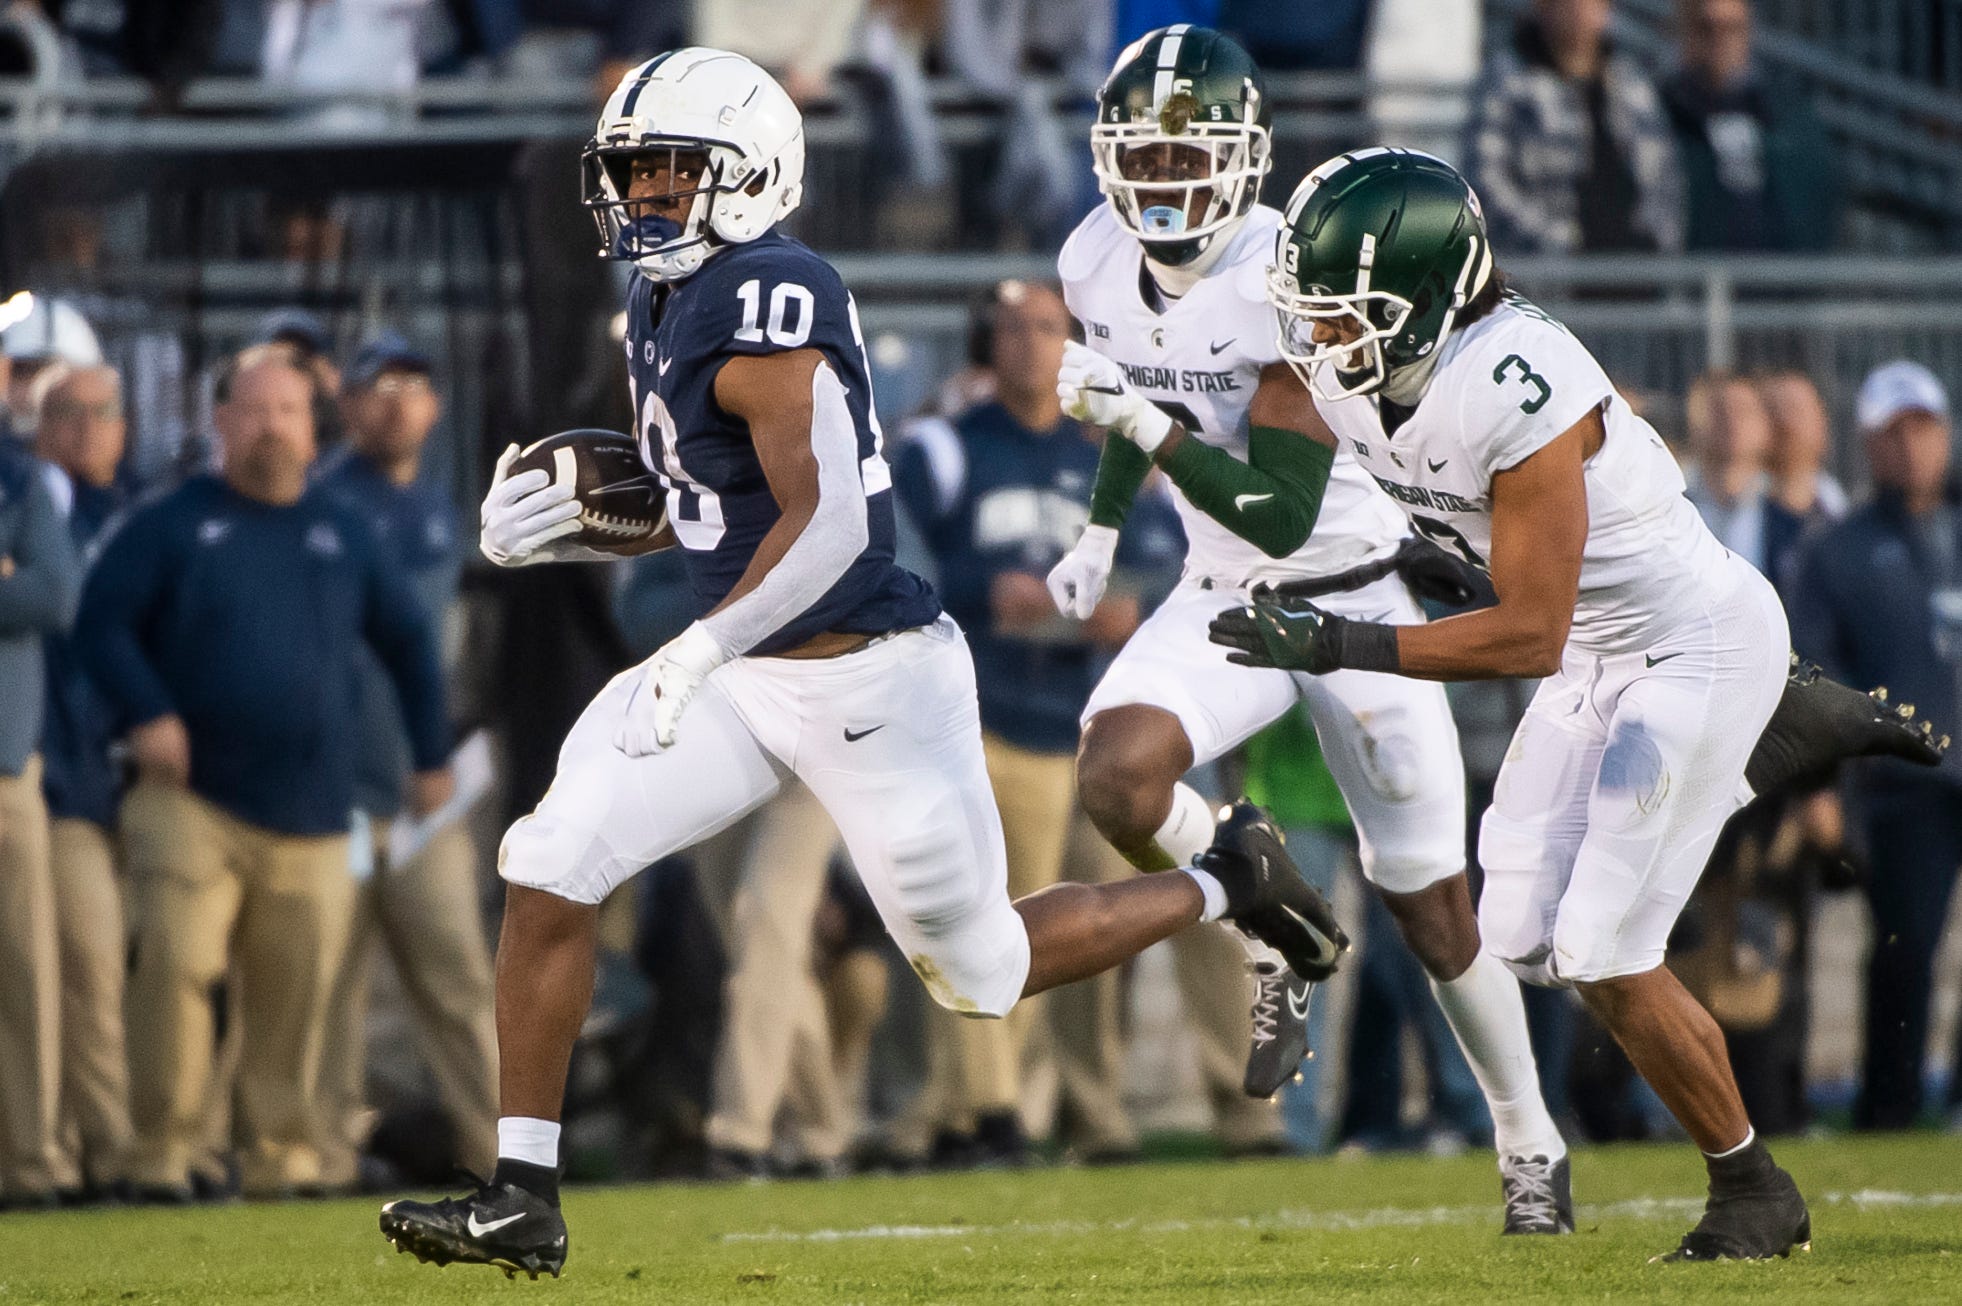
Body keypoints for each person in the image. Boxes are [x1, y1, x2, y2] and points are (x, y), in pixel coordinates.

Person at [378, 47, 1343, 1280]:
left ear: (752, 174)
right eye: (635, 171)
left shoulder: (774, 290)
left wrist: (703, 637)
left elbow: (835, 528)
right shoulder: (665, 298)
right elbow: (713, 496)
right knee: (552, 859)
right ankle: (525, 1191)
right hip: (740, 676)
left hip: (871, 675)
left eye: (674, 171)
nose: (648, 196)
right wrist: (572, 518)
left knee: (980, 972)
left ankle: (1229, 881)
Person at [1236, 146, 1942, 1259]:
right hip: (1601, 655)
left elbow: (1528, 630)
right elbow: (1453, 525)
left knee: (1607, 950)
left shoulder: (1516, 374)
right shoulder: (1359, 373)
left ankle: (1754, 1190)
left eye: (1347, 316)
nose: (1324, 342)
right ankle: (1779, 736)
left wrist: (1339, 639)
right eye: (1313, 316)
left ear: (1430, 294)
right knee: (1517, 935)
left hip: (1689, 647)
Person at [1046, 26, 1571, 1231]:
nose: (1166, 182)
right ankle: (1257, 896)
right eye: (1146, 156)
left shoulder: (1291, 271)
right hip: (1225, 594)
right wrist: (1099, 533)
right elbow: (1132, 387)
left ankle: (1530, 1145)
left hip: (1350, 590)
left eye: (1192, 156)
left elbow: (1280, 514)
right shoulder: (1091, 259)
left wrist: (1136, 430)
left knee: (1434, 909)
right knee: (1119, 778)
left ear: (1248, 155)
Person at [76, 346, 454, 1200]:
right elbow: (101, 624)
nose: (272, 427)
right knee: (176, 967)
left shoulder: (341, 531)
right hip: (192, 799)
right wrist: (147, 711)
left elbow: (408, 641)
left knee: (296, 997)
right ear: (220, 422)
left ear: (311, 426)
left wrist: (431, 754)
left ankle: (282, 1159)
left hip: (314, 811)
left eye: (287, 411)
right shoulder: (171, 523)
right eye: (254, 410)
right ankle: (161, 1156)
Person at [313, 332, 500, 1189]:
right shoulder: (320, 505)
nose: (397, 401)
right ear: (346, 404)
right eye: (378, 384)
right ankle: (315, 1155)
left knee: (459, 978)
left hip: (423, 789)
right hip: (340, 788)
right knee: (328, 988)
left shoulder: (433, 505)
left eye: (414, 383)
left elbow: (438, 649)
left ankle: (503, 1160)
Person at [1787, 360, 1962, 1131]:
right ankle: (1889, 1105)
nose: (1913, 447)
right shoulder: (1839, 550)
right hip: (1904, 781)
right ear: (1868, 443)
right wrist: (1819, 785)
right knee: (1904, 946)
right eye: (1895, 434)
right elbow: (1816, 675)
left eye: (1923, 428)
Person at [31, 363, 135, 1201]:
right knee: (84, 970)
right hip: (66, 781)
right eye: (67, 415)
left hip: (148, 778)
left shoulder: (140, 519)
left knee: (167, 976)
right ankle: (104, 1155)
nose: (85, 431)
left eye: (101, 414)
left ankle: (175, 1145)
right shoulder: (36, 507)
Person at [0, 398, 81, 1209]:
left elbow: (54, 597)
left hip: (4, 767)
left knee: (24, 972)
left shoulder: (20, 480)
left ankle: (31, 1164)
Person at [1467, 0, 1683, 255]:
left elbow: (1666, 180)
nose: (1579, 10)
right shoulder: (1505, 81)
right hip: (1545, 278)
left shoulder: (1632, 84)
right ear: (1541, 7)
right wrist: (1558, 243)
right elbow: (1484, 184)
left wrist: (1653, 244)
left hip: (1634, 270)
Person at [1659, 0, 1841, 252]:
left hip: (1772, 276)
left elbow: (1813, 200)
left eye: (1731, 28)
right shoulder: (1662, 111)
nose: (1720, 40)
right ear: (1688, 31)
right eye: (1707, 27)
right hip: (1698, 275)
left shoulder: (1783, 114)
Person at [1683, 371, 1806, 589]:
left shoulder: (1797, 520)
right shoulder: (1671, 512)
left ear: (1765, 426)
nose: (1731, 422)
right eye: (1719, 412)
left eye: (1743, 412)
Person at [1757, 370, 1849, 523]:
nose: (1785, 423)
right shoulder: (1721, 517)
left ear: (1821, 423)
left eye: (1795, 410)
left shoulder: (1838, 513)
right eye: (1774, 410)